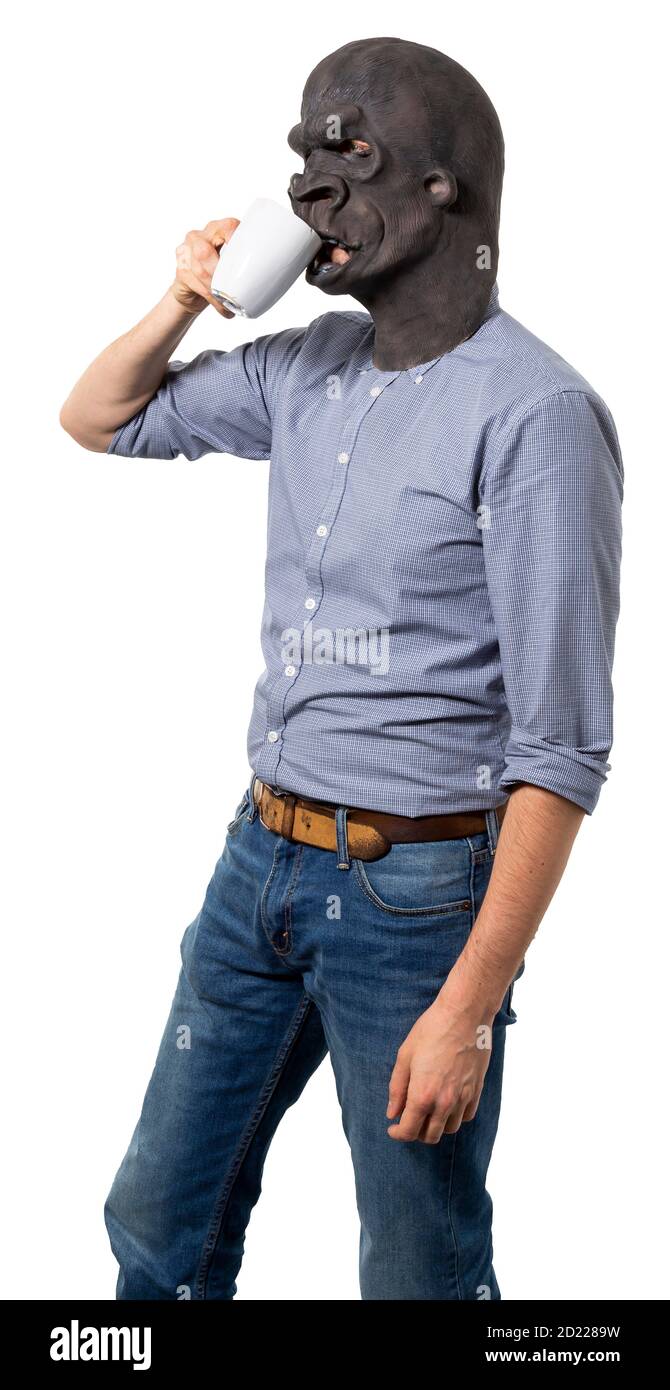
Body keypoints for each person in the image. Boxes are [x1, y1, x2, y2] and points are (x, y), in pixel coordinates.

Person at [60, 37, 623, 1300]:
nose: (312, 187)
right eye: (304, 153)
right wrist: (182, 300)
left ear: (445, 189)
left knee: (420, 1273)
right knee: (156, 1228)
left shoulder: (535, 416)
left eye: (350, 151)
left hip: (416, 898)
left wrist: (470, 1003)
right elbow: (99, 417)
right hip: (255, 859)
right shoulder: (299, 372)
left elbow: (561, 750)